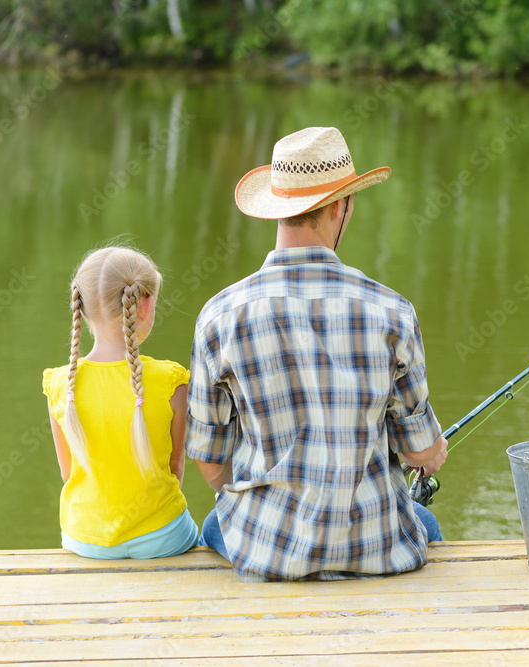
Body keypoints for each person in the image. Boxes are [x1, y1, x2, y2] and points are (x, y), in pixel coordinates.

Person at [187, 126, 447, 582]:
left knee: (215, 523)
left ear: (278, 210)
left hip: (267, 551)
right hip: (375, 546)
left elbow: (209, 463)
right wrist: (433, 451)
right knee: (425, 524)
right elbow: (419, 450)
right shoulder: (392, 311)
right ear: (341, 206)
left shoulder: (220, 315)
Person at [42, 246, 198, 559]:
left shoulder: (61, 384)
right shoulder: (172, 381)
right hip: (163, 537)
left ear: (81, 308)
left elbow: (67, 472)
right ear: (146, 304)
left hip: (85, 540)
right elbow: (176, 467)